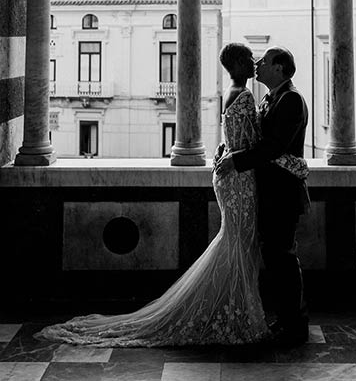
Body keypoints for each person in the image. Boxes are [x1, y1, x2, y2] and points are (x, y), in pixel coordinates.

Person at [35, 43, 270, 347]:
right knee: (240, 242)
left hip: (229, 178)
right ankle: (236, 314)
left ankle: (232, 310)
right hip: (240, 179)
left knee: (234, 241)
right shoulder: (246, 95)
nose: (255, 63)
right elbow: (253, 141)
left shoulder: (229, 91)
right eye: (250, 59)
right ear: (237, 63)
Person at [216, 45, 310, 346]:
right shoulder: (273, 97)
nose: (258, 64)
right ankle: (286, 319)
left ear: (280, 68)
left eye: (265, 61)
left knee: (283, 258)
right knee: (275, 257)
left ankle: (294, 325)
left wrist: (236, 160)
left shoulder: (291, 99)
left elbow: (273, 147)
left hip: (283, 193)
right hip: (271, 192)